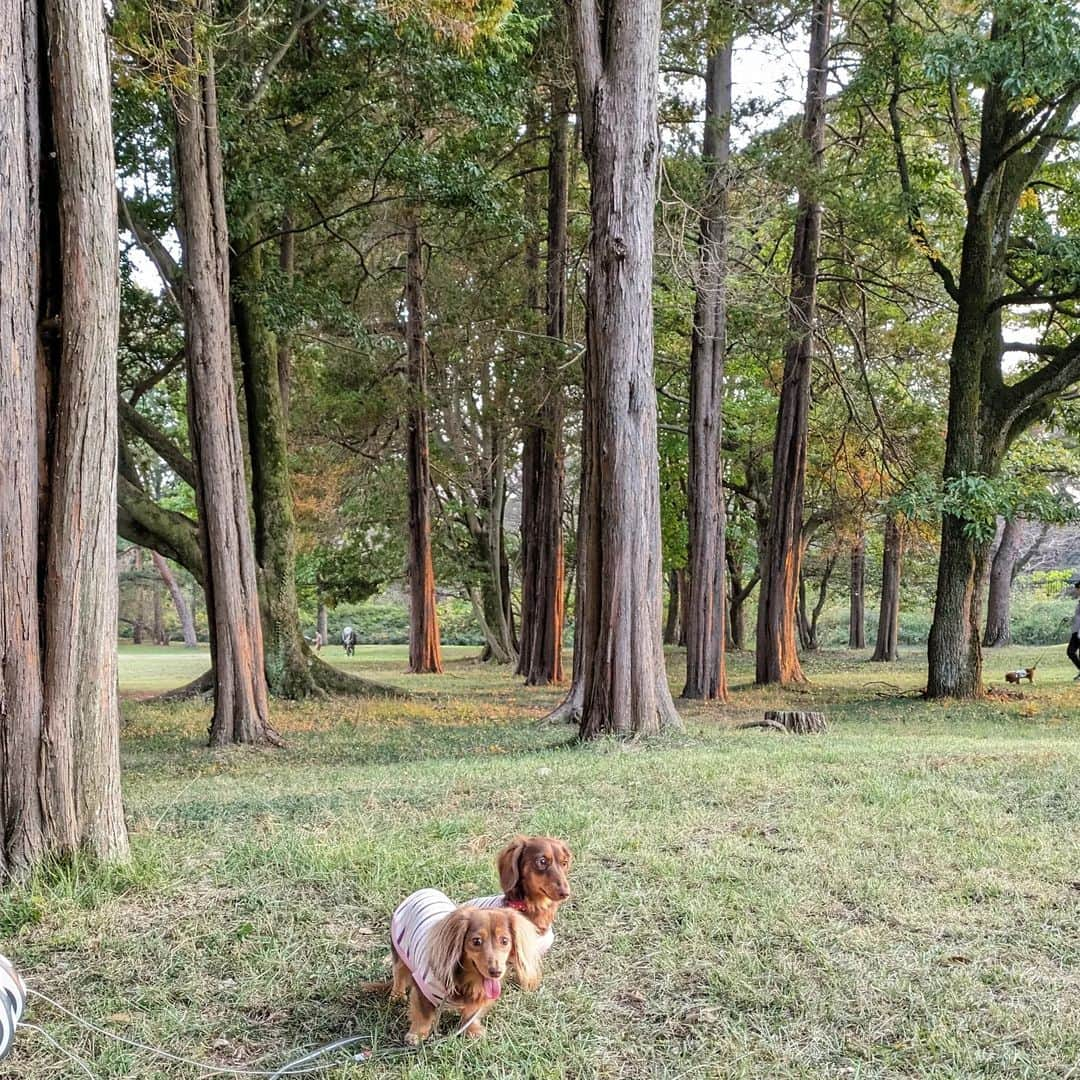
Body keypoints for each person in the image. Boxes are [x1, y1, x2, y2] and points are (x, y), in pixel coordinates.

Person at [1069, 580, 1080, 681]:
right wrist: (1070, 619)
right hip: (1076, 630)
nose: (1076, 591)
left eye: (1077, 589)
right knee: (1070, 652)